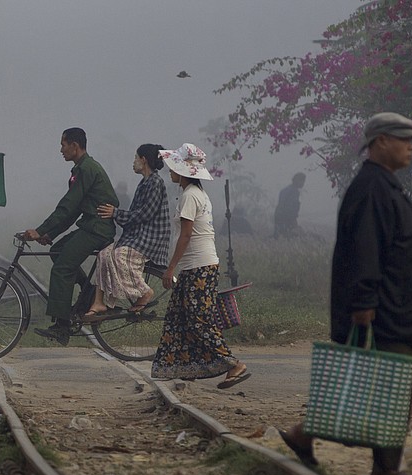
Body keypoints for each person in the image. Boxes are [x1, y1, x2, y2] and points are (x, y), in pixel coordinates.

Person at [279, 113, 412, 475]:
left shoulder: (383, 185)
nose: (411, 145)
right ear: (381, 141)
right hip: (390, 310)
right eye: (404, 138)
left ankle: (306, 433)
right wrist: (365, 301)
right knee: (391, 391)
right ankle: (384, 473)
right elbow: (365, 250)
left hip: (399, 308)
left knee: (378, 387)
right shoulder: (372, 188)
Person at [150, 143, 250, 389]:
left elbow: (185, 236)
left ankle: (233, 364)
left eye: (174, 167)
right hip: (196, 266)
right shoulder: (195, 194)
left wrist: (170, 268)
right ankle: (187, 367)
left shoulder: (189, 196)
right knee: (179, 316)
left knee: (198, 319)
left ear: (183, 172)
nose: (170, 171)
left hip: (198, 266)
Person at [23, 127, 118, 345]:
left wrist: (39, 230)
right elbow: (73, 210)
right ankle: (88, 292)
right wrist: (49, 233)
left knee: (62, 268)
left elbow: (67, 207)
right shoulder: (82, 168)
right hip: (91, 226)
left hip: (97, 229)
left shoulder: (86, 169)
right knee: (57, 250)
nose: (61, 150)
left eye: (63, 144)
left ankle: (62, 326)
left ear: (74, 146)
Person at [85, 144, 170, 317]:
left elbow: (145, 214)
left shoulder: (155, 182)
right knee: (103, 255)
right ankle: (99, 302)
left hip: (150, 238)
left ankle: (144, 291)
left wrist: (116, 213)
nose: (133, 162)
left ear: (143, 160)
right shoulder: (144, 182)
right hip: (136, 236)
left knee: (118, 256)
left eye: (135, 158)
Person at [273, 172, 306, 238]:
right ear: (296, 180)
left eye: (303, 181)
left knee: (279, 236)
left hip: (279, 216)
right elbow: (290, 208)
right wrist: (293, 220)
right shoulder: (293, 192)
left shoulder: (286, 190)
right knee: (286, 237)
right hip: (285, 218)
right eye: (301, 180)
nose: (303, 183)